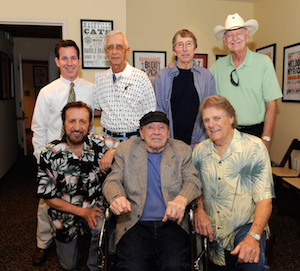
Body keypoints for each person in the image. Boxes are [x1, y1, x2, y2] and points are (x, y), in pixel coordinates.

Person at [103, 111, 202, 271]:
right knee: (132, 267)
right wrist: (116, 197)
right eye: (150, 128)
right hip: (134, 222)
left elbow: (193, 181)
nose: (156, 132)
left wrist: (182, 199)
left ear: (168, 133)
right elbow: (112, 180)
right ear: (141, 133)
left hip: (172, 223)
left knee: (175, 266)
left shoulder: (181, 150)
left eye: (162, 128)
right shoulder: (126, 150)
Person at [31, 39, 95, 266]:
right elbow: (38, 127)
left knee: (82, 196)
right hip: (53, 159)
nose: (69, 63)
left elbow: (92, 125)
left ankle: (79, 238)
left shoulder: (90, 89)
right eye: (64, 58)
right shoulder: (47, 92)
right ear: (57, 61)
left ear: (79, 60)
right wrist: (41, 159)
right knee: (46, 203)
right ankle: (43, 243)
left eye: (73, 58)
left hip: (81, 156)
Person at [192, 95, 274, 270]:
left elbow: (265, 200)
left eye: (216, 118)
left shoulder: (254, 148)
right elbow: (194, 187)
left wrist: (253, 237)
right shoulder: (200, 152)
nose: (211, 124)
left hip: (246, 227)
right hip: (213, 236)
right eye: (206, 120)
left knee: (253, 265)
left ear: (231, 118)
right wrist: (199, 210)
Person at [35, 101, 119, 271]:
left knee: (101, 227)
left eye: (83, 121)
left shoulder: (100, 144)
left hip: (95, 207)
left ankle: (94, 263)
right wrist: (83, 212)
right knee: (69, 265)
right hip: (64, 213)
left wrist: (113, 151)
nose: (77, 127)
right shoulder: (49, 153)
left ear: (90, 124)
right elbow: (49, 199)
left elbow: (131, 145)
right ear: (63, 123)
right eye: (72, 121)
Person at [211, 13, 282, 151]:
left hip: (255, 135)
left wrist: (266, 139)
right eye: (230, 35)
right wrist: (176, 65)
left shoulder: (264, 63)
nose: (235, 38)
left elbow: (272, 105)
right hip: (225, 135)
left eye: (239, 34)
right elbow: (202, 89)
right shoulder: (217, 67)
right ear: (224, 40)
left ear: (248, 36)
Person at [154, 29, 216, 148]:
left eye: (189, 44)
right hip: (169, 143)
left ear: (195, 49)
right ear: (174, 51)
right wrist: (164, 138)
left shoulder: (207, 77)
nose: (185, 49)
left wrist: (204, 141)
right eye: (180, 44)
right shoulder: (162, 76)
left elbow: (212, 111)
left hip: (198, 144)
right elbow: (159, 111)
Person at [94, 30, 156, 141]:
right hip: (107, 139)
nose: (114, 52)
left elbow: (150, 114)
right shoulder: (100, 79)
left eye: (119, 47)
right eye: (110, 47)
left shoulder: (140, 77)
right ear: (105, 52)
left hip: (134, 140)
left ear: (127, 51)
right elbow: (97, 109)